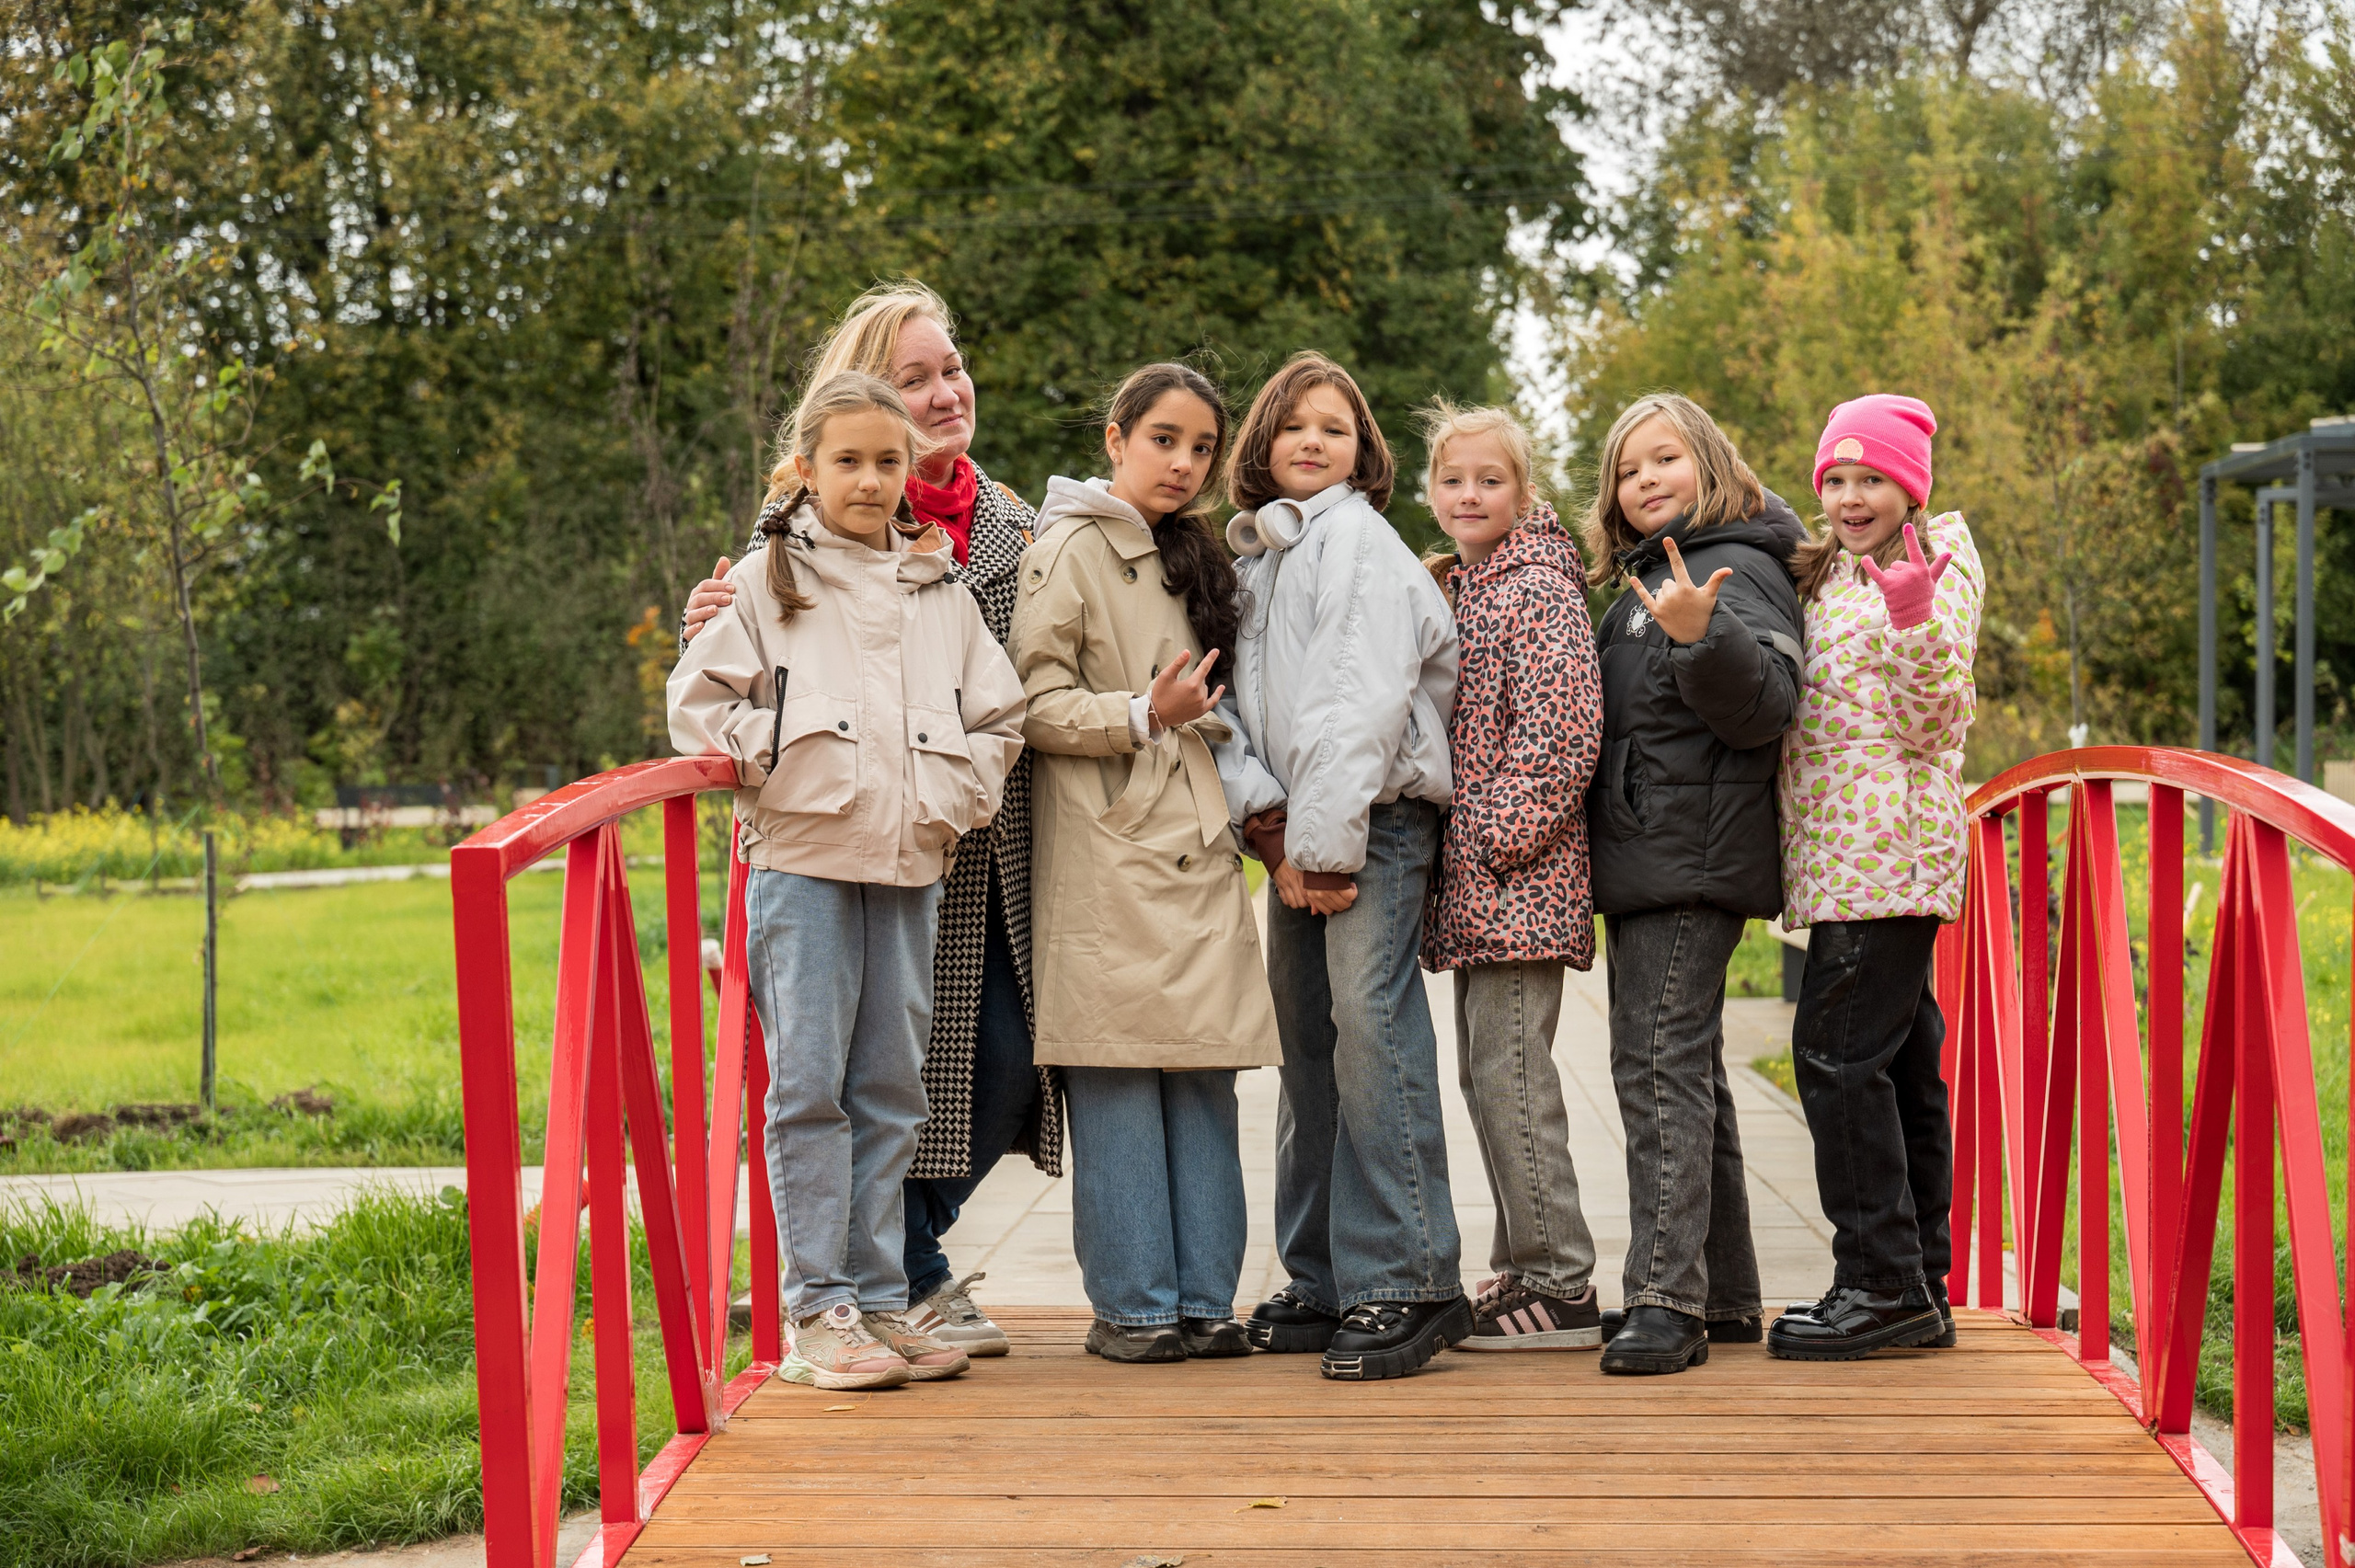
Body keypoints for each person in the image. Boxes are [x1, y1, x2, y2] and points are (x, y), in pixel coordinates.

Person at [679, 282, 1053, 1357]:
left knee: (912, 1080)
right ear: (813, 462)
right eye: (852, 458)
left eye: (951, 368)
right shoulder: (770, 571)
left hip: (934, 858)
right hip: (810, 854)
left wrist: (952, 798)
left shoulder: (973, 560)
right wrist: (780, 763)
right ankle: (825, 1302)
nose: (875, 476)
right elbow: (704, 702)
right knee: (811, 1081)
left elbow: (1002, 711)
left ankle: (886, 1286)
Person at [1009, 362, 1282, 1363]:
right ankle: (1135, 1308)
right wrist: (1140, 715)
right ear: (1115, 438)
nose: (1184, 462)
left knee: (1202, 1074)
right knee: (1119, 1077)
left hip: (1194, 843)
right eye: (1164, 438)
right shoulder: (1067, 550)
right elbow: (1028, 706)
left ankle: (1206, 1302)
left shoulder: (1193, 550)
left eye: (1202, 446)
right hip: (1107, 845)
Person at [1222, 351, 1465, 1382]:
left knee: (1370, 1031)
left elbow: (1352, 703)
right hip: (1300, 834)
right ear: (1263, 448)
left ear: (1366, 454)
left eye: (1336, 427)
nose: (1314, 441)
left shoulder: (1355, 542)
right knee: (1307, 1046)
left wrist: (1316, 851)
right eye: (1293, 427)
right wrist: (1269, 827)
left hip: (1371, 821)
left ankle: (1410, 1279)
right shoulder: (1260, 559)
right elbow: (1227, 708)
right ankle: (1323, 1274)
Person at [1580, 392, 1803, 1377]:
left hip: (1688, 861)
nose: (1646, 481)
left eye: (1664, 459)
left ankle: (1665, 1301)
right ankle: (1723, 1291)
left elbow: (1766, 706)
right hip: (1656, 852)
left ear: (1708, 463)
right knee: (1686, 1068)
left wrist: (1699, 633)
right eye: (1629, 471)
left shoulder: (1729, 568)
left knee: (1654, 1068)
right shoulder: (1643, 579)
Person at [1766, 395, 1982, 1361]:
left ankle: (1878, 1282)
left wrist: (1913, 614)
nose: (1852, 497)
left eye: (1872, 479)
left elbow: (1937, 722)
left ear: (1910, 486)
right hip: (1842, 861)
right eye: (1837, 480)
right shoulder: (1832, 571)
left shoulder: (1933, 561)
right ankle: (1917, 1279)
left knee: (1834, 1061)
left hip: (1887, 857)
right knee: (1894, 1068)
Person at [1414, 403, 1606, 1353]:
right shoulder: (1476, 584)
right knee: (1491, 1077)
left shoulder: (1536, 588)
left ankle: (1561, 1280)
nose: (1469, 495)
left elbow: (1563, 736)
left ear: (1523, 493)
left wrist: (1486, 842)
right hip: (1487, 887)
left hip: (1517, 882)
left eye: (1490, 480)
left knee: (1513, 1077)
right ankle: (1525, 1264)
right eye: (1453, 480)